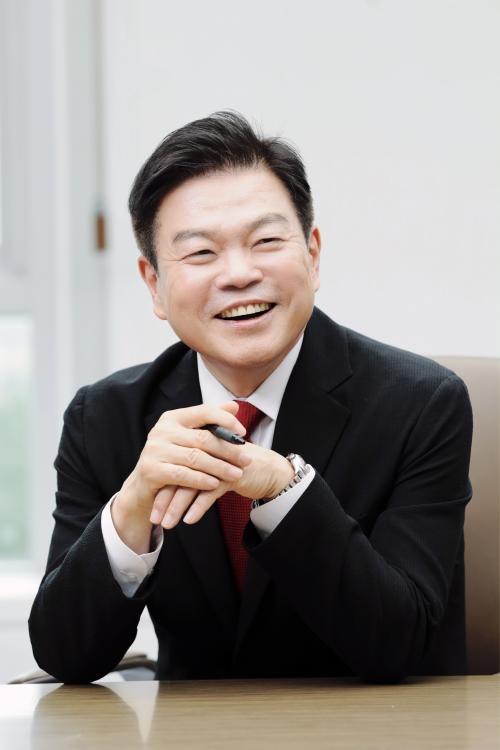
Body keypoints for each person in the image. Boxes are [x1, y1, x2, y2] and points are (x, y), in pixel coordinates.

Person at [29, 111, 473, 683]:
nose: (238, 274)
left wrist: (283, 490)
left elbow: (402, 645)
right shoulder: (105, 418)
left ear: (312, 254)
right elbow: (65, 656)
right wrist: (132, 507)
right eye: (201, 253)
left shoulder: (422, 404)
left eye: (265, 241)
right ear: (154, 284)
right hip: (196, 728)